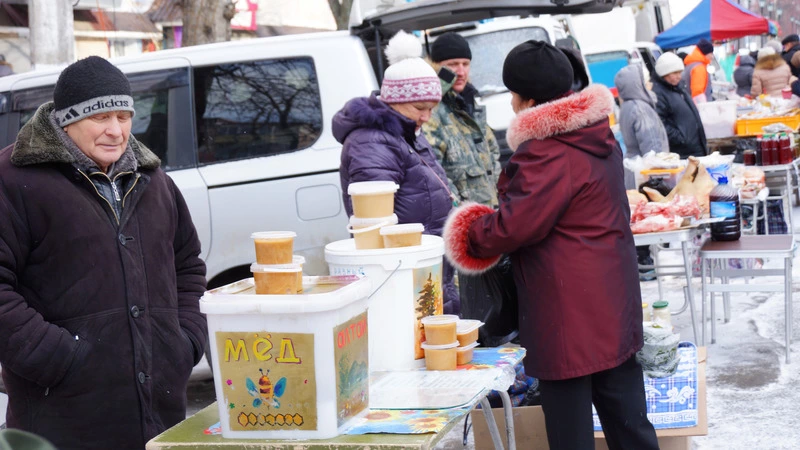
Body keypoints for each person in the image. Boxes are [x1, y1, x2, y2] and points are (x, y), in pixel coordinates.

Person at [443, 40, 659, 450]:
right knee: (629, 422)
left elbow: (512, 228)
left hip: (566, 315)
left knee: (570, 434)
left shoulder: (545, 153)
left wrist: (468, 230)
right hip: (612, 301)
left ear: (524, 98)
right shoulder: (598, 135)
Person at [0, 56, 208, 450]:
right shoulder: (12, 180)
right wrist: (58, 358)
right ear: (66, 120)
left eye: (124, 116)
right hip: (61, 417)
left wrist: (185, 342)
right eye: (101, 118)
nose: (116, 131)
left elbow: (188, 266)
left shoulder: (155, 180)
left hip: (159, 414)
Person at [333, 31, 458, 313]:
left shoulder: (405, 133)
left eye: (432, 109)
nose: (427, 117)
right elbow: (376, 232)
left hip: (424, 271)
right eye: (420, 108)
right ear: (394, 100)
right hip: (404, 279)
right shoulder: (372, 142)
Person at [422, 32, 501, 209]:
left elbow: (492, 153)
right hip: (462, 219)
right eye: (452, 64)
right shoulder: (430, 109)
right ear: (436, 67)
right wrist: (460, 212)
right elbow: (433, 172)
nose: (460, 71)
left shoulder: (470, 103)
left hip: (489, 214)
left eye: (465, 64)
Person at [614, 64, 669, 189]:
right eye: (647, 82)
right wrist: (658, 179)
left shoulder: (627, 106)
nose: (651, 85)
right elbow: (652, 150)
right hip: (644, 174)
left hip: (633, 168)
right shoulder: (640, 109)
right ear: (639, 85)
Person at [652, 52, 707, 158]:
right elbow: (660, 124)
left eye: (680, 72)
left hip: (694, 148)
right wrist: (681, 139)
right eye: (675, 73)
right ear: (664, 73)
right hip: (682, 152)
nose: (679, 76)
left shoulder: (679, 88)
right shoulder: (659, 93)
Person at [682, 38, 715, 103]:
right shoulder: (699, 67)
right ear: (705, 53)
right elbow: (697, 93)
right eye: (711, 53)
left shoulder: (691, 64)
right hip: (701, 107)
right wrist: (703, 109)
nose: (712, 56)